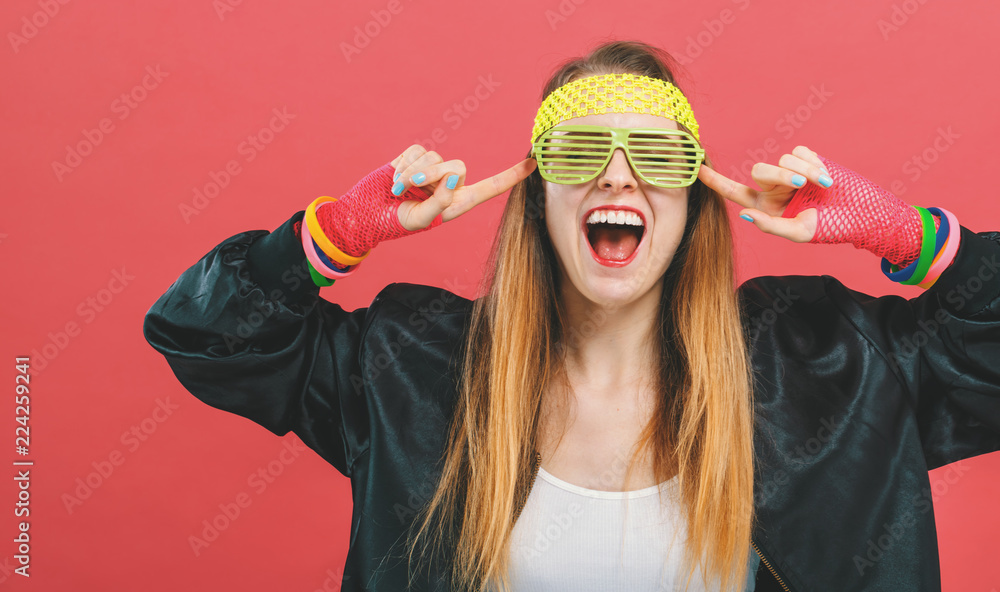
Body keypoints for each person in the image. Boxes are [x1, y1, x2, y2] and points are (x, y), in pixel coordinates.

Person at [143, 40, 1000, 592]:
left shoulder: (830, 369)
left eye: (655, 154)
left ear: (693, 194)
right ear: (536, 196)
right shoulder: (413, 372)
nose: (618, 178)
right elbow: (205, 335)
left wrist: (912, 236)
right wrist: (333, 235)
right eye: (582, 151)